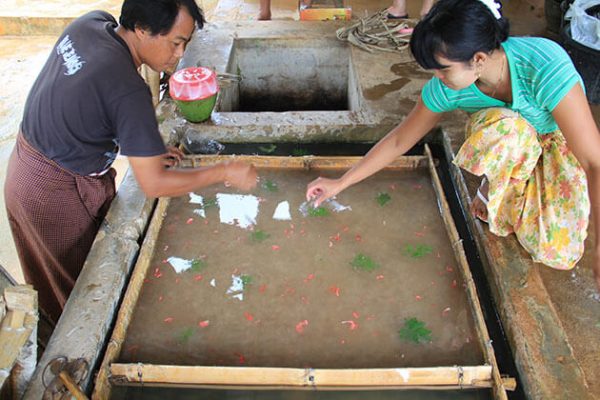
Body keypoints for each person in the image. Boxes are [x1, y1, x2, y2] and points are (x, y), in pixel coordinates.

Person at [306, 0, 600, 291]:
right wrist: (341, 182)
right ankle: (496, 189)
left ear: (479, 60)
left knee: (556, 251)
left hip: (558, 144)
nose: (438, 79)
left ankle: (515, 193)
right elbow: (399, 139)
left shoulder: (543, 65)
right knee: (506, 131)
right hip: (513, 145)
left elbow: (593, 162)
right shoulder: (448, 87)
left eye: (443, 70)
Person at [4, 0, 257, 324]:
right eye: (175, 43)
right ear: (141, 28)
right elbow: (153, 184)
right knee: (77, 298)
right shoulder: (128, 88)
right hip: (52, 191)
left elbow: (87, 102)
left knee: (49, 279)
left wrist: (145, 148)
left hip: (25, 164)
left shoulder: (92, 24)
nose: (179, 55)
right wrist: (224, 171)